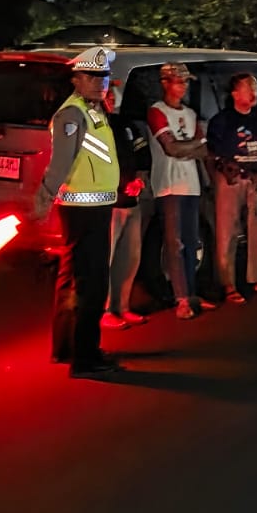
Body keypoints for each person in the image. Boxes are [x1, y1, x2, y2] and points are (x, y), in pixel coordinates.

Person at [33, 46, 124, 377]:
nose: (101, 82)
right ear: (76, 79)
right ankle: (85, 359)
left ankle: (67, 349)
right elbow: (61, 163)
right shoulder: (72, 114)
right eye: (93, 76)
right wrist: (43, 200)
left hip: (94, 207)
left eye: (104, 77)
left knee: (74, 279)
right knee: (91, 284)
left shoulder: (92, 110)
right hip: (84, 210)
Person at [148, 63, 217, 320]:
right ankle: (181, 298)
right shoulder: (157, 111)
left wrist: (187, 147)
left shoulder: (190, 113)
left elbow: (202, 149)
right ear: (165, 83)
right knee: (174, 242)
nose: (184, 87)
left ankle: (192, 292)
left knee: (191, 241)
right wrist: (192, 146)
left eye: (186, 82)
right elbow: (171, 148)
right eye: (179, 81)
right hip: (169, 184)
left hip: (191, 184)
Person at [206, 71, 257, 303]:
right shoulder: (222, 121)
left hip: (254, 179)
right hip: (231, 179)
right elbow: (213, 152)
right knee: (227, 232)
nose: (253, 92)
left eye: (255, 87)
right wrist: (224, 172)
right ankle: (228, 283)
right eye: (248, 88)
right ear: (235, 93)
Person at [102, 87, 151, 331]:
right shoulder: (95, 127)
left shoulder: (125, 125)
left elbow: (142, 156)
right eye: (106, 95)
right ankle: (103, 310)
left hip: (131, 200)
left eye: (113, 95)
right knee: (106, 259)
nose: (110, 99)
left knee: (130, 258)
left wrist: (139, 180)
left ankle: (122, 306)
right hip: (109, 204)